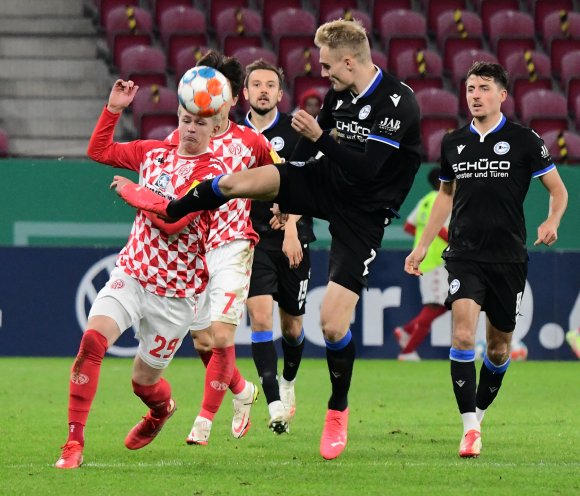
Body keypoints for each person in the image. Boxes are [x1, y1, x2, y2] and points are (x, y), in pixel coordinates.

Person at [115, 19, 422, 460]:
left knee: (333, 323)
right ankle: (173, 206)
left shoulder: (399, 104)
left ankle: (337, 408)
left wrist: (319, 138)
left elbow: (368, 170)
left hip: (366, 210)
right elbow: (307, 150)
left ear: (350, 61)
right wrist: (285, 183)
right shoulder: (340, 92)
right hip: (326, 181)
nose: (324, 73)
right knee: (238, 182)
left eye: (328, 65)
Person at [55, 79, 225, 469]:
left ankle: (160, 410)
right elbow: (99, 151)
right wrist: (113, 109)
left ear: (215, 127)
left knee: (142, 382)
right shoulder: (155, 153)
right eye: (185, 119)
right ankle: (73, 443)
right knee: (91, 343)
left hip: (177, 294)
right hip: (133, 273)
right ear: (178, 119)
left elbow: (173, 221)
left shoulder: (214, 173)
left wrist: (135, 195)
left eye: (200, 122)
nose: (191, 128)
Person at [404, 62, 568, 458]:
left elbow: (558, 190)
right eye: (470, 88)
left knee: (497, 349)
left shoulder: (525, 140)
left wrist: (552, 220)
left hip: (508, 258)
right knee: (462, 335)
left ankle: (478, 413)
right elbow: (445, 196)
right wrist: (423, 245)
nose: (474, 94)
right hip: (463, 254)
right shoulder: (452, 142)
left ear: (501, 95)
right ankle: (469, 428)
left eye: (483, 88)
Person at [164, 50, 282, 446]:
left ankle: (203, 420)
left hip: (233, 244)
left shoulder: (251, 140)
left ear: (232, 99)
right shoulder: (184, 134)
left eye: (220, 92)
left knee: (221, 338)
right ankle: (243, 391)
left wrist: (285, 209)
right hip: (190, 249)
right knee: (202, 342)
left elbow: (278, 174)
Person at [241, 59, 316, 433]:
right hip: (250, 239)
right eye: (257, 85)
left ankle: (287, 381)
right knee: (260, 319)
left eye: (270, 85)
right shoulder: (233, 135)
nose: (264, 90)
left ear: (280, 94)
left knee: (292, 328)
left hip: (294, 239)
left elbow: (311, 184)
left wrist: (291, 224)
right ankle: (272, 402)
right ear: (245, 93)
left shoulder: (295, 130)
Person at [394, 167, 449, 361]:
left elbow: (409, 226)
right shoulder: (442, 200)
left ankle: (406, 330)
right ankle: (407, 351)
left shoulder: (425, 199)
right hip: (436, 261)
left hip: (427, 259)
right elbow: (441, 230)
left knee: (443, 305)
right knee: (435, 306)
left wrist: (421, 240)